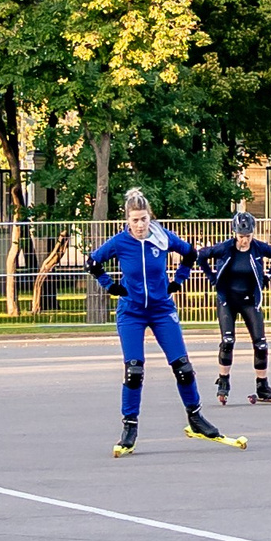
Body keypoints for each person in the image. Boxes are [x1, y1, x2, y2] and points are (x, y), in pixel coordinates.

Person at [85, 190, 231, 455]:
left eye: (144, 219)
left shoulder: (162, 238)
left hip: (162, 309)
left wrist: (178, 280)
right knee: (134, 371)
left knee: (183, 367)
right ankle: (130, 426)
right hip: (131, 312)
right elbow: (92, 262)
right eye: (135, 220)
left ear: (150, 217)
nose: (140, 225)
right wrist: (111, 286)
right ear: (127, 220)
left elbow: (190, 253)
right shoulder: (119, 242)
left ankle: (195, 417)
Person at [196, 211, 271, 404]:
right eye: (241, 236)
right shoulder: (225, 248)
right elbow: (201, 256)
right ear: (234, 233)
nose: (244, 241)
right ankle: (223, 381)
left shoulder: (258, 248)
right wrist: (212, 278)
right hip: (228, 301)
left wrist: (269, 276)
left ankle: (262, 386)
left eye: (248, 236)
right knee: (227, 341)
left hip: (249, 301)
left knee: (261, 344)